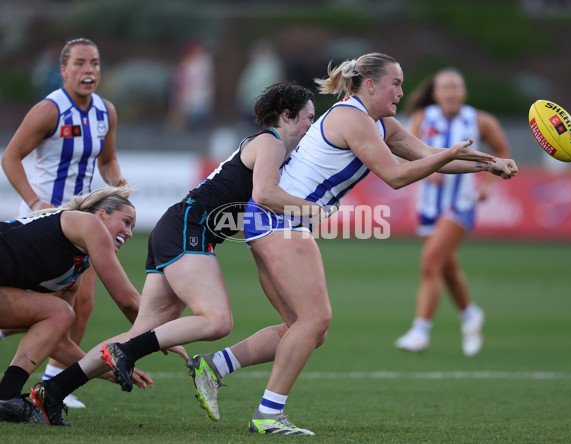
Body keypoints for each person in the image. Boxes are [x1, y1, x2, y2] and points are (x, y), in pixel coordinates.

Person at [178, 53, 518, 435]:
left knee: (305, 330)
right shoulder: (351, 118)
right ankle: (268, 415)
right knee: (316, 320)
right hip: (281, 220)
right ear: (370, 85)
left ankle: (215, 366)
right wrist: (452, 154)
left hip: (269, 221)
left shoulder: (378, 123)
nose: (401, 92)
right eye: (395, 83)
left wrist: (488, 163)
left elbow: (427, 156)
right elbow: (397, 176)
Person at [29, 81, 326, 427]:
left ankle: (52, 390)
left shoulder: (269, 147)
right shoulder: (272, 143)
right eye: (308, 117)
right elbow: (263, 194)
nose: (311, 125)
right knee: (217, 321)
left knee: (140, 332)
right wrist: (312, 209)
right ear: (287, 116)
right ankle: (127, 353)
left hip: (178, 226)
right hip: (189, 227)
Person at [0, 38, 128, 409]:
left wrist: (116, 182)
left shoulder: (106, 111)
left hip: (83, 222)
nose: (89, 71)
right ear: (64, 70)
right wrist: (36, 202)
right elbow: (11, 157)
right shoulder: (49, 110)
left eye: (96, 64)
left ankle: (53, 381)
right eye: (80, 64)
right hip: (47, 224)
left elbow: (108, 160)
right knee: (57, 305)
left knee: (78, 304)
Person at [0, 186, 152, 424]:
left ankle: (7, 397)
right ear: (101, 215)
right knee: (60, 312)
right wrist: (161, 336)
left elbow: (56, 339)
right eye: (126, 221)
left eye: (132, 227)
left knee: (60, 315)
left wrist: (104, 369)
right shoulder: (88, 224)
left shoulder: (75, 271)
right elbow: (129, 302)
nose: (129, 232)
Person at [394, 68, 511, 356]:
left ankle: (420, 330)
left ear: (464, 92)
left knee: (431, 262)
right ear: (435, 93)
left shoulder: (480, 120)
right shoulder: (423, 117)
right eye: (445, 87)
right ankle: (470, 315)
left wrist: (487, 184)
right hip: (428, 205)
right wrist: (426, 170)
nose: (450, 92)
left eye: (455, 87)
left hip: (461, 204)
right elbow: (403, 151)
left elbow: (501, 151)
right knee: (446, 268)